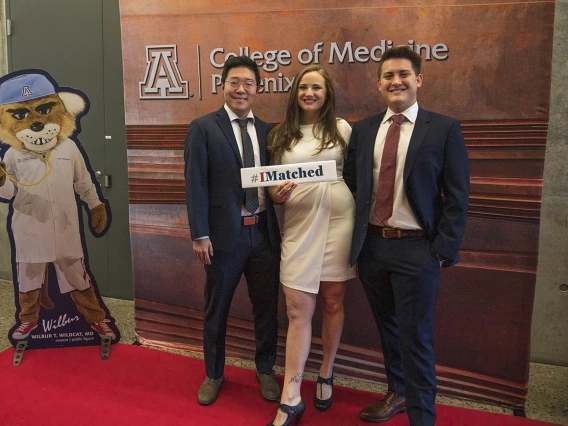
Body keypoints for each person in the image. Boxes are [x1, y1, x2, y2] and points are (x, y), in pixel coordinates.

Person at [344, 46, 470, 426]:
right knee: (388, 329)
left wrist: (442, 249)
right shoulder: (365, 129)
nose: (395, 81)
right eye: (388, 76)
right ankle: (397, 392)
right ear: (379, 84)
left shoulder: (444, 128)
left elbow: (458, 194)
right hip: (373, 248)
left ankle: (422, 418)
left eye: (403, 74)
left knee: (416, 340)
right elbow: (351, 182)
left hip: (418, 250)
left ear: (418, 79)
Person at [184, 55, 281, 406]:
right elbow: (195, 183)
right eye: (235, 82)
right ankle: (213, 373)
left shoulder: (271, 131)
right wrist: (200, 234)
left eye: (249, 84)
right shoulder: (204, 127)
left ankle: (266, 370)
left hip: (265, 235)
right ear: (222, 85)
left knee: (267, 308)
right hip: (225, 237)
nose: (242, 89)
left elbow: (275, 180)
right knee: (217, 308)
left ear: (258, 89)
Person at [267, 65, 356, 426]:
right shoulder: (280, 135)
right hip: (299, 224)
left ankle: (327, 370)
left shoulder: (343, 129)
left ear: (327, 92)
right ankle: (291, 394)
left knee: (333, 301)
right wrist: (278, 193)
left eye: (316, 87)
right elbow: (271, 188)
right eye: (303, 87)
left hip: (339, 222)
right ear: (295, 93)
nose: (309, 93)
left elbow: (355, 173)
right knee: (296, 311)